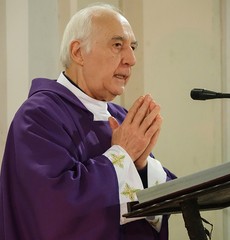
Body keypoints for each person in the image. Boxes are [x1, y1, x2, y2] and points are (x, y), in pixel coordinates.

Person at [0, 3, 176, 240]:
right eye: (117, 45)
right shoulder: (38, 117)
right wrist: (122, 156)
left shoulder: (121, 117)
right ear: (78, 52)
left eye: (132, 47)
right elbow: (55, 209)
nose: (131, 59)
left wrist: (142, 167)